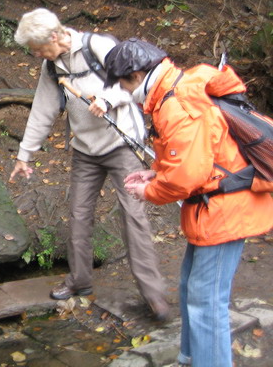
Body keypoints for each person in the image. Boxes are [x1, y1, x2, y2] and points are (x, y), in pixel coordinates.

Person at [103, 38, 273, 367]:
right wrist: (154, 175)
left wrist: (149, 192)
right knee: (190, 287)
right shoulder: (176, 90)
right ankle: (191, 358)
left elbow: (187, 176)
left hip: (227, 209)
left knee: (207, 300)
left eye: (123, 84)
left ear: (137, 76)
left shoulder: (176, 104)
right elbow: (193, 158)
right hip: (213, 206)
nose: (123, 92)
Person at [9, 8, 169, 321]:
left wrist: (108, 99)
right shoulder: (52, 66)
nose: (37, 54)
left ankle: (153, 295)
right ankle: (80, 280)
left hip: (122, 145)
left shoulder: (99, 48)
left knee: (133, 216)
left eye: (39, 48)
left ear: (55, 36)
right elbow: (42, 110)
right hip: (85, 150)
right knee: (79, 214)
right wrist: (24, 154)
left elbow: (133, 83)